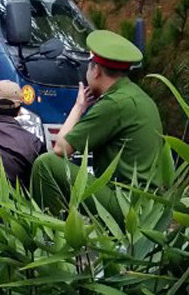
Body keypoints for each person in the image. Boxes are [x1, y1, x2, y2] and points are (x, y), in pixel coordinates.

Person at [30, 30, 165, 212]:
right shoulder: (137, 97)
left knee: (45, 164)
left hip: (127, 205)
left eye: (89, 67)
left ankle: (52, 236)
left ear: (96, 71)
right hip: (148, 205)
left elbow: (61, 150)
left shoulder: (115, 104)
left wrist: (78, 107)